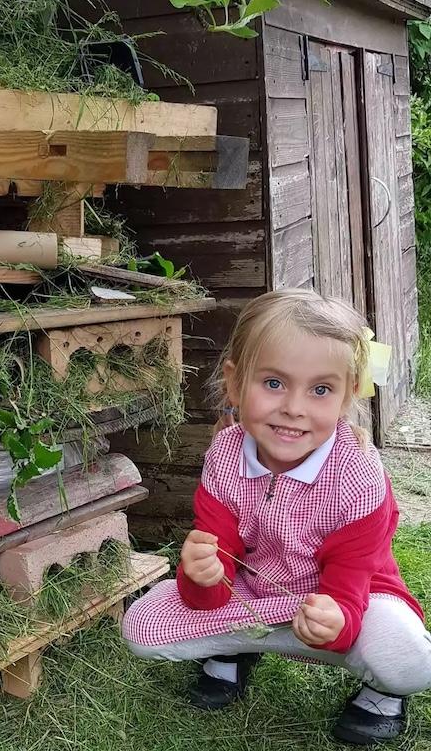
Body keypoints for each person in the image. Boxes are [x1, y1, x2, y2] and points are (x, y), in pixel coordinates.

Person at [122, 289, 431, 746]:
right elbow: (215, 573)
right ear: (234, 382)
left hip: (347, 601)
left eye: (321, 389)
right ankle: (240, 647)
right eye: (273, 383)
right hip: (254, 594)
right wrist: (203, 575)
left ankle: (382, 693)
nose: (294, 407)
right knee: (141, 628)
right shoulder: (224, 457)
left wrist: (338, 619)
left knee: (409, 659)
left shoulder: (358, 475)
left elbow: (350, 585)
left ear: (346, 396)